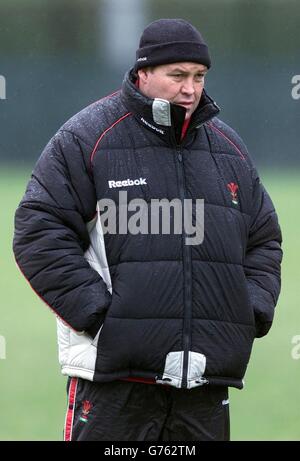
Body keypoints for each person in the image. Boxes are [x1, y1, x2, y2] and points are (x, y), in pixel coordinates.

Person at [13, 18, 282, 441]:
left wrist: (246, 312)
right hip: (113, 385)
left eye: (198, 76)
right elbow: (38, 229)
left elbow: (264, 238)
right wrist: (100, 317)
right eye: (177, 75)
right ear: (142, 74)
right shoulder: (86, 138)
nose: (190, 89)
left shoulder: (229, 150)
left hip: (205, 388)